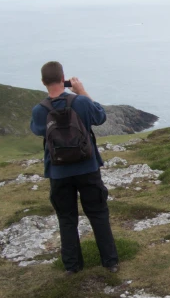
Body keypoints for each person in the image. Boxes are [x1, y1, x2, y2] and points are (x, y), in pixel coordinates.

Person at [30, 61, 119, 274]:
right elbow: (100, 116)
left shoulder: (39, 110)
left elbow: (38, 131)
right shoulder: (80, 102)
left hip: (58, 172)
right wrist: (81, 91)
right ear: (63, 79)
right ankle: (110, 262)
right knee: (98, 213)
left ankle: (72, 266)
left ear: (43, 82)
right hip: (87, 168)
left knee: (67, 218)